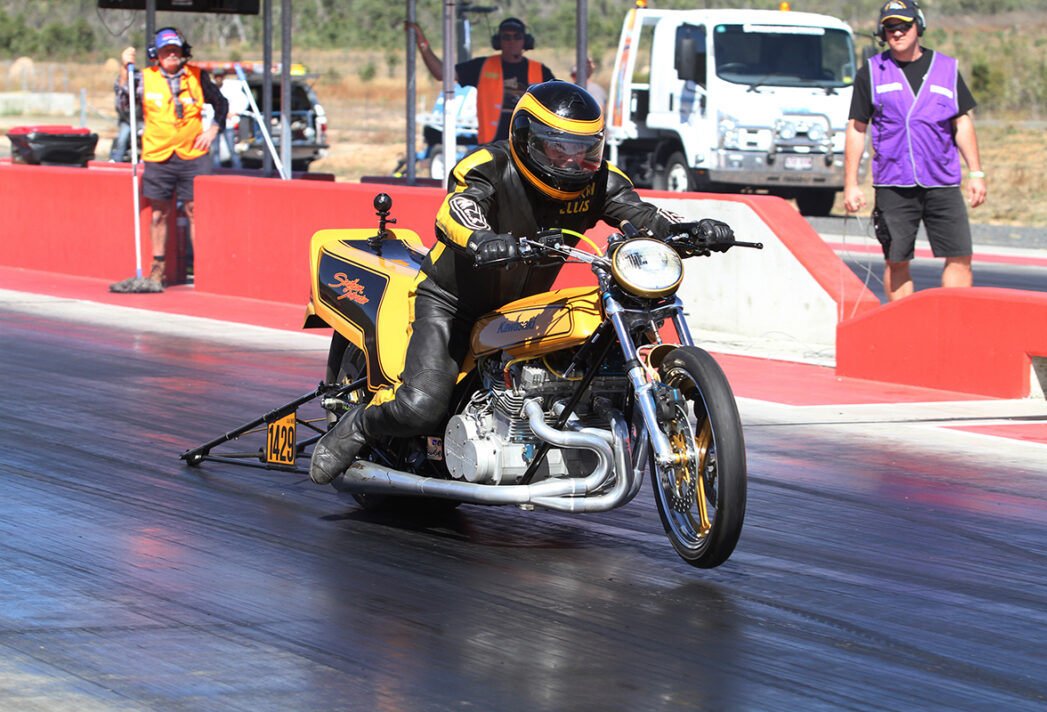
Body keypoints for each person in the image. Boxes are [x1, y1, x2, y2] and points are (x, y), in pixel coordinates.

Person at [308, 81, 736, 485]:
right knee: (421, 405)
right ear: (528, 138)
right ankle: (359, 425)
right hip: (454, 303)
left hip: (523, 306)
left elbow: (642, 214)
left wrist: (690, 229)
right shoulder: (488, 166)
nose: (572, 161)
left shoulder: (600, 180)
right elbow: (457, 209)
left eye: (585, 149)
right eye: (559, 147)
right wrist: (483, 240)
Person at [843, 0, 986, 302]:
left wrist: (976, 172)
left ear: (918, 26)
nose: (897, 32)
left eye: (903, 25)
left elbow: (962, 123)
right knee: (896, 260)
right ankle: (905, 329)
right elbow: (857, 129)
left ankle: (953, 324)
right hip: (893, 182)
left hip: (942, 181)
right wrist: (851, 183)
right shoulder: (871, 72)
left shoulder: (946, 68)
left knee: (960, 256)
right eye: (890, 27)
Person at [112, 27, 228, 288]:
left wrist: (213, 129)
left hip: (193, 154)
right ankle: (158, 269)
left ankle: (202, 268)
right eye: (166, 51)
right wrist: (123, 68)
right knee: (159, 215)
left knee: (196, 211)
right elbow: (123, 104)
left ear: (183, 52)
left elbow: (221, 103)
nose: (171, 54)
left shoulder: (198, 76)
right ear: (157, 54)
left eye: (175, 49)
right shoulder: (143, 77)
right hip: (158, 154)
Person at [407, 17, 555, 144]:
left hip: (528, 148)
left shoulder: (541, 71)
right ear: (498, 41)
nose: (512, 41)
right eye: (506, 37)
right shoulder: (482, 66)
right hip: (491, 148)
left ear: (525, 41)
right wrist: (422, 43)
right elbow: (441, 73)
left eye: (517, 37)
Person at [109, 62, 142, 162]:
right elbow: (120, 108)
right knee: (122, 139)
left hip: (141, 121)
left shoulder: (142, 92)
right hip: (127, 122)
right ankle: (117, 160)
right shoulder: (123, 96)